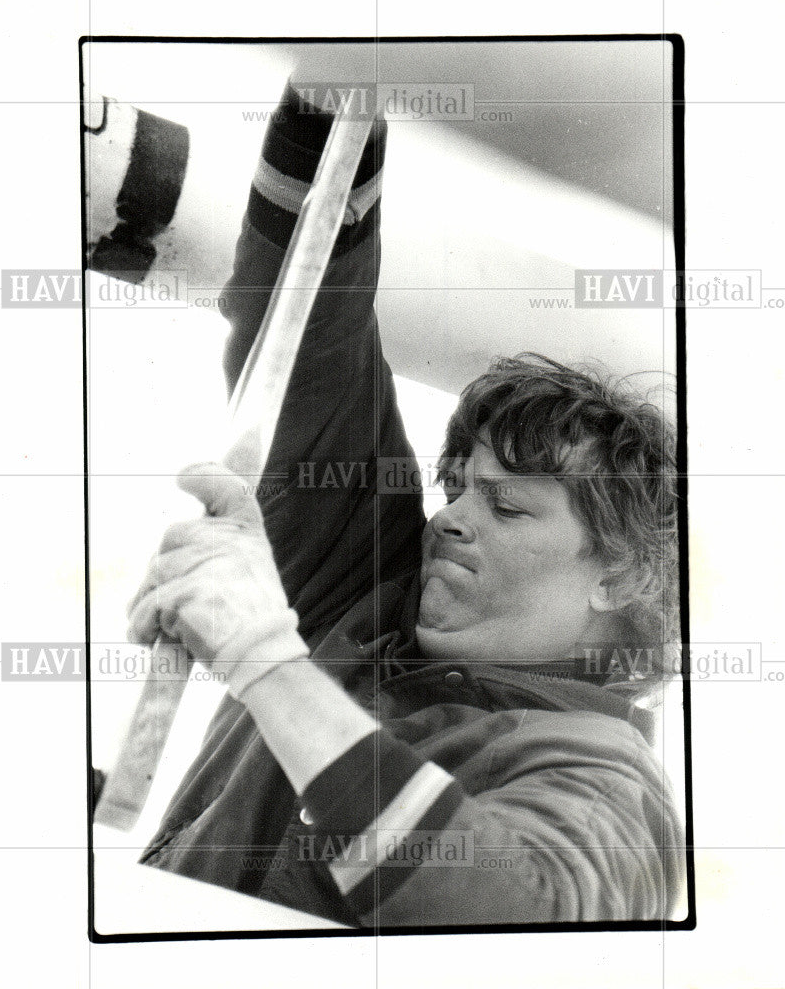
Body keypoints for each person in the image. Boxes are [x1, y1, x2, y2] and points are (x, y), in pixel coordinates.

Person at [128, 80, 685, 927]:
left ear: (621, 573)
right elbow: (305, 313)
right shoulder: (368, 594)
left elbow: (514, 914)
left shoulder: (605, 781)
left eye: (507, 507)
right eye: (457, 488)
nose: (451, 516)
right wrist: (332, 76)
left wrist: (267, 661)